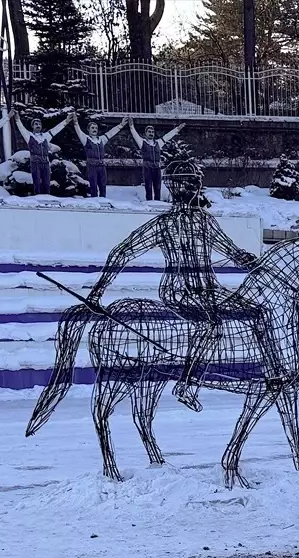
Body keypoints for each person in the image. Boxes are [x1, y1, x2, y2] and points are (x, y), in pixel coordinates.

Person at [85, 160, 260, 411]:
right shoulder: (164, 224)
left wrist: (250, 262)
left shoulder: (206, 222)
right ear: (176, 187)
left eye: (195, 183)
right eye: (188, 184)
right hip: (179, 291)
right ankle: (187, 384)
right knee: (211, 324)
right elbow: (122, 252)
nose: (194, 189)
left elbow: (232, 251)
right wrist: (98, 291)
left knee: (257, 312)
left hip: (210, 288)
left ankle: (270, 373)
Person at [14, 111, 71, 196]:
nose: (38, 125)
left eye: (39, 124)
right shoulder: (29, 136)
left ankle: (47, 197)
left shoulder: (46, 136)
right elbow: (21, 128)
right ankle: (37, 196)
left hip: (45, 161)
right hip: (35, 161)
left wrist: (66, 121)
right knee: (37, 181)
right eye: (36, 124)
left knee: (46, 181)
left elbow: (56, 129)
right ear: (32, 126)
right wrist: (17, 119)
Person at [72, 114, 129, 198]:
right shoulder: (86, 139)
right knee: (93, 185)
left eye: (96, 128)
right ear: (88, 130)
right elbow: (79, 131)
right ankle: (94, 201)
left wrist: (121, 125)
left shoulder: (101, 139)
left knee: (103, 185)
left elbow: (111, 133)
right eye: (92, 128)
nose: (94, 130)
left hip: (102, 166)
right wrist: (75, 122)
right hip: (92, 166)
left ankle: (103, 200)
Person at [129, 120, 185, 201]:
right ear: (145, 133)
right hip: (147, 168)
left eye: (152, 132)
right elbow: (135, 135)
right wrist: (131, 126)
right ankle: (149, 202)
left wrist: (178, 129)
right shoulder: (142, 142)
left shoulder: (158, 143)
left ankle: (157, 202)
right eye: (149, 132)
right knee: (148, 187)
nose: (151, 133)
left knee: (158, 187)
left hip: (157, 168)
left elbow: (168, 136)